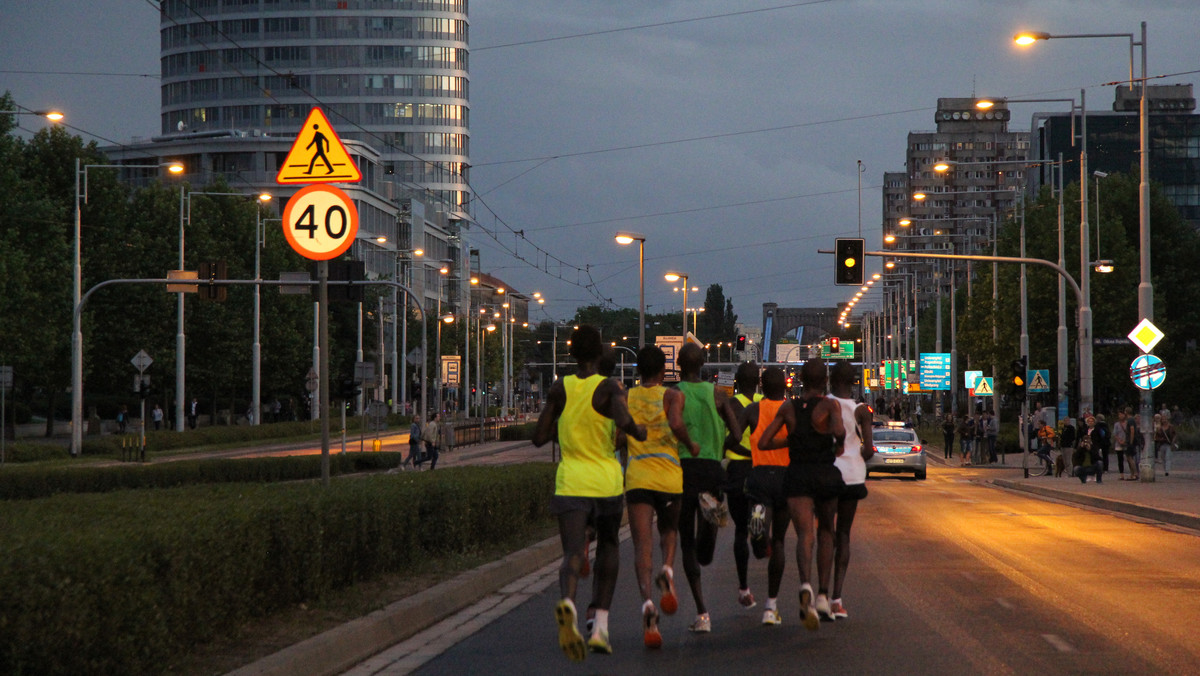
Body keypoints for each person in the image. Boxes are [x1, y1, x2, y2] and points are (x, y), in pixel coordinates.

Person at [532, 325, 646, 661]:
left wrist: (566, 429)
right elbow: (625, 422)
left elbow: (539, 436)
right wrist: (637, 430)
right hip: (605, 482)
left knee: (572, 554)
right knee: (609, 548)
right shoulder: (609, 386)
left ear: (571, 355)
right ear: (599, 354)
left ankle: (568, 601)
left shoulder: (560, 388)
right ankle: (599, 629)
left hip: (570, 482)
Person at [759, 359, 846, 631]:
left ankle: (804, 584)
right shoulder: (830, 406)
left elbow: (763, 442)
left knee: (804, 535)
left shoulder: (788, 407)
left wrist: (792, 440)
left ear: (800, 380)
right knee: (827, 532)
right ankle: (822, 594)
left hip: (796, 474)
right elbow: (840, 433)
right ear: (825, 381)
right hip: (824, 474)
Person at [623, 345, 697, 649]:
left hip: (638, 476)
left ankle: (648, 607)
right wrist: (690, 445)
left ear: (638, 370)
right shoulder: (672, 396)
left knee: (642, 544)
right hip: (668, 475)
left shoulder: (626, 397)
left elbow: (617, 434)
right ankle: (667, 569)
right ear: (663, 371)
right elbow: (677, 423)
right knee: (669, 532)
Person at [674, 343, 741, 634]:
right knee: (707, 539)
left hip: (684, 470)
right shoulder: (718, 395)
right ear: (704, 363)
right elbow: (737, 434)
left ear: (678, 364)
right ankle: (711, 528)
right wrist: (719, 448)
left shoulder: (674, 395)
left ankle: (702, 613)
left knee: (686, 541)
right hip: (713, 470)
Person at [736, 366, 790, 626]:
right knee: (779, 540)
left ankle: (758, 528)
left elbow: (734, 437)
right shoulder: (791, 411)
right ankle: (771, 606)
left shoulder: (752, 410)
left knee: (759, 526)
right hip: (786, 478)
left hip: (759, 475)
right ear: (785, 386)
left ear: (761, 386)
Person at [827, 362, 873, 621]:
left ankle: (819, 593)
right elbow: (868, 450)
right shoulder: (861, 410)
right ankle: (837, 598)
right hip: (853, 477)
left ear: (831, 379)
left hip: (828, 475)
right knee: (844, 534)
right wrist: (856, 456)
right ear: (855, 381)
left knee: (825, 530)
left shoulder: (824, 404)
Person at [724, 361, 762, 612]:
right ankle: (761, 534)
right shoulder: (765, 402)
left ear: (736, 381)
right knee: (759, 522)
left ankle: (743, 588)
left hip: (737, 472)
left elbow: (727, 441)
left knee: (740, 530)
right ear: (758, 380)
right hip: (761, 472)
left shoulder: (731, 405)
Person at [1125, 407, 1142, 480]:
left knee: (1130, 457)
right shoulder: (1131, 420)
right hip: (1129, 441)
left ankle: (1135, 473)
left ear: (1126, 412)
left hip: (1130, 441)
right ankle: (1132, 474)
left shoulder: (1130, 420)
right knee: (1129, 457)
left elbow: (1132, 430)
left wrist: (1131, 442)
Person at [1112, 411, 1129, 480]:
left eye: (1121, 415)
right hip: (1118, 444)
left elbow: (1129, 433)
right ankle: (1121, 474)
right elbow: (1115, 434)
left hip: (1126, 443)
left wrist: (1125, 441)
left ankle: (1132, 472)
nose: (1120, 416)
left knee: (1129, 458)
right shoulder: (1116, 424)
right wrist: (1119, 441)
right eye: (1119, 415)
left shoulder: (1127, 423)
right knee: (1120, 459)